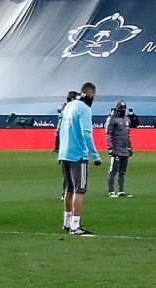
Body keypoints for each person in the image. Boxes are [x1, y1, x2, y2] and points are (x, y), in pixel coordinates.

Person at [58, 82, 102, 236]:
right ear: (90, 95)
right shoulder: (85, 109)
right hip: (78, 154)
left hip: (65, 153)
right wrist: (95, 155)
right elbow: (86, 134)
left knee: (68, 188)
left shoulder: (69, 106)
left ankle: (67, 222)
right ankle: (75, 226)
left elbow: (61, 130)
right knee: (80, 189)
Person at [105, 100, 133, 198]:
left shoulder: (127, 119)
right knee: (113, 171)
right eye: (121, 108)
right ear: (117, 109)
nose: (123, 110)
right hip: (116, 149)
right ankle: (111, 191)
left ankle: (121, 191)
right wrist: (110, 147)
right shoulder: (112, 119)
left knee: (122, 172)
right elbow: (109, 134)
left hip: (125, 149)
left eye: (124, 108)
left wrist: (130, 146)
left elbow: (128, 134)